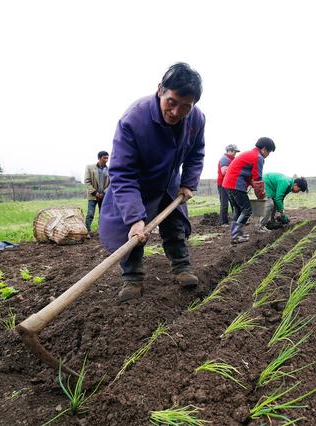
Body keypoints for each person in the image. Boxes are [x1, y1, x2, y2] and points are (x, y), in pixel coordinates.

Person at [99, 63, 205, 302]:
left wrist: (188, 182)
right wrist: (135, 217)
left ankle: (182, 267)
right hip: (137, 185)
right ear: (160, 90)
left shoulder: (196, 119)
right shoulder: (133, 120)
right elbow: (123, 173)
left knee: (175, 227)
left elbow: (197, 152)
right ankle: (131, 278)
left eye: (185, 107)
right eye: (171, 102)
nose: (176, 112)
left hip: (169, 183)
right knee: (134, 234)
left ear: (194, 104)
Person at [222, 137, 276, 244]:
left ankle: (236, 234)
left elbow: (250, 177)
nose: (268, 154)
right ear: (264, 149)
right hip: (236, 184)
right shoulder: (258, 157)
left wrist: (255, 186)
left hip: (228, 183)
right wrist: (261, 196)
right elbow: (257, 179)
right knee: (247, 210)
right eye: (269, 151)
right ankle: (236, 235)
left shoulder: (250, 154)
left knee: (238, 210)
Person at [84, 151, 110, 237]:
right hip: (93, 196)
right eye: (104, 158)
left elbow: (111, 183)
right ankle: (87, 231)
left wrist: (104, 193)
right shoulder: (89, 167)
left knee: (102, 214)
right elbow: (87, 181)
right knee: (90, 214)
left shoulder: (109, 169)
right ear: (99, 158)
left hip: (104, 196)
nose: (106, 160)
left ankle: (101, 231)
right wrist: (95, 193)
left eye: (107, 158)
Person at [216, 144, 239, 226]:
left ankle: (237, 220)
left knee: (234, 202)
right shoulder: (224, 159)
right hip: (223, 184)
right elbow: (224, 171)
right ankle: (223, 222)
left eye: (236, 151)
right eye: (234, 151)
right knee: (224, 203)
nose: (235, 153)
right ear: (229, 151)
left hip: (229, 184)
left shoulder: (232, 159)